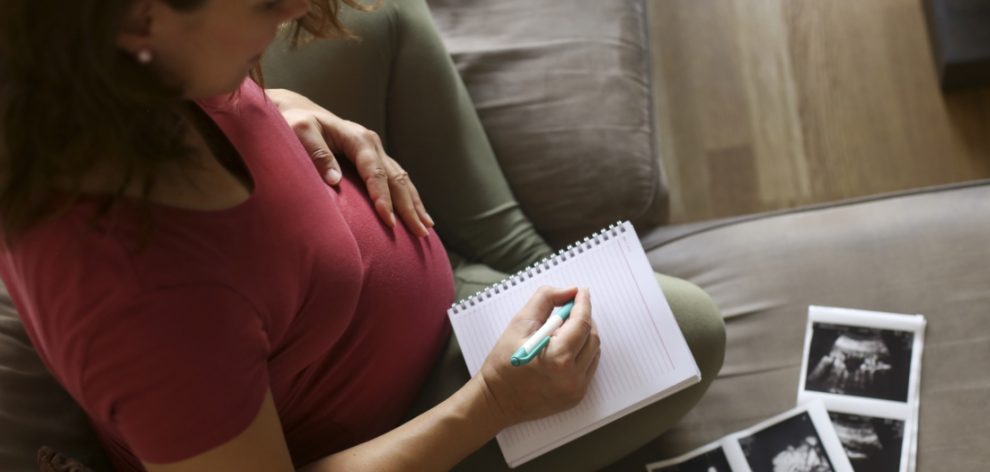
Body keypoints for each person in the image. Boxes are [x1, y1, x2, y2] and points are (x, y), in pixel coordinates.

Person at [0, 1, 725, 471]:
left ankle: (521, 271)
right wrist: (496, 403)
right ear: (131, 24)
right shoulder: (142, 304)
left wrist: (272, 104)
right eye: (261, 5)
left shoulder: (97, 70)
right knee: (689, 328)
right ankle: (532, 312)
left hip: (350, 277)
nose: (294, 9)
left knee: (385, 18)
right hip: (395, 414)